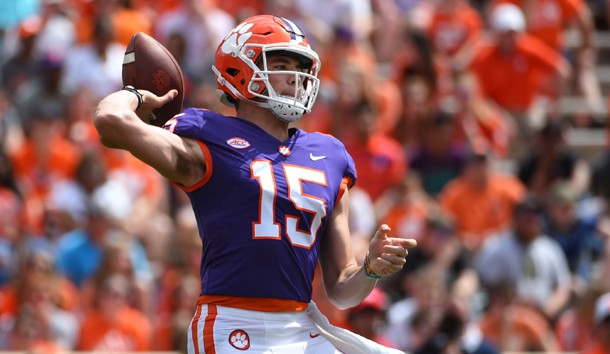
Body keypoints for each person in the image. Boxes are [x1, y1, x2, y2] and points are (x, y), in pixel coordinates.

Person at [93, 14, 416, 354]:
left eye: (300, 67)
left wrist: (369, 269)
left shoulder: (329, 154)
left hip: (301, 325)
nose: (295, 77)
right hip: (233, 323)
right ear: (239, 70)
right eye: (281, 63)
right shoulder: (208, 135)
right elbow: (110, 120)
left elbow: (341, 290)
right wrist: (136, 95)